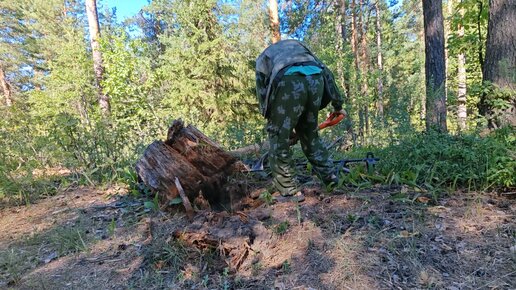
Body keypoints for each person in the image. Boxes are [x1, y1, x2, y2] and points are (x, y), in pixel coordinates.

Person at [255, 39, 346, 201]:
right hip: (316, 80)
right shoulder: (303, 50)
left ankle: (290, 190)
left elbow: (263, 93)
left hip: (288, 80)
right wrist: (338, 105)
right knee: (310, 135)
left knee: (277, 137)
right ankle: (331, 179)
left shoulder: (264, 58)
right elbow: (327, 73)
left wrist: (275, 123)